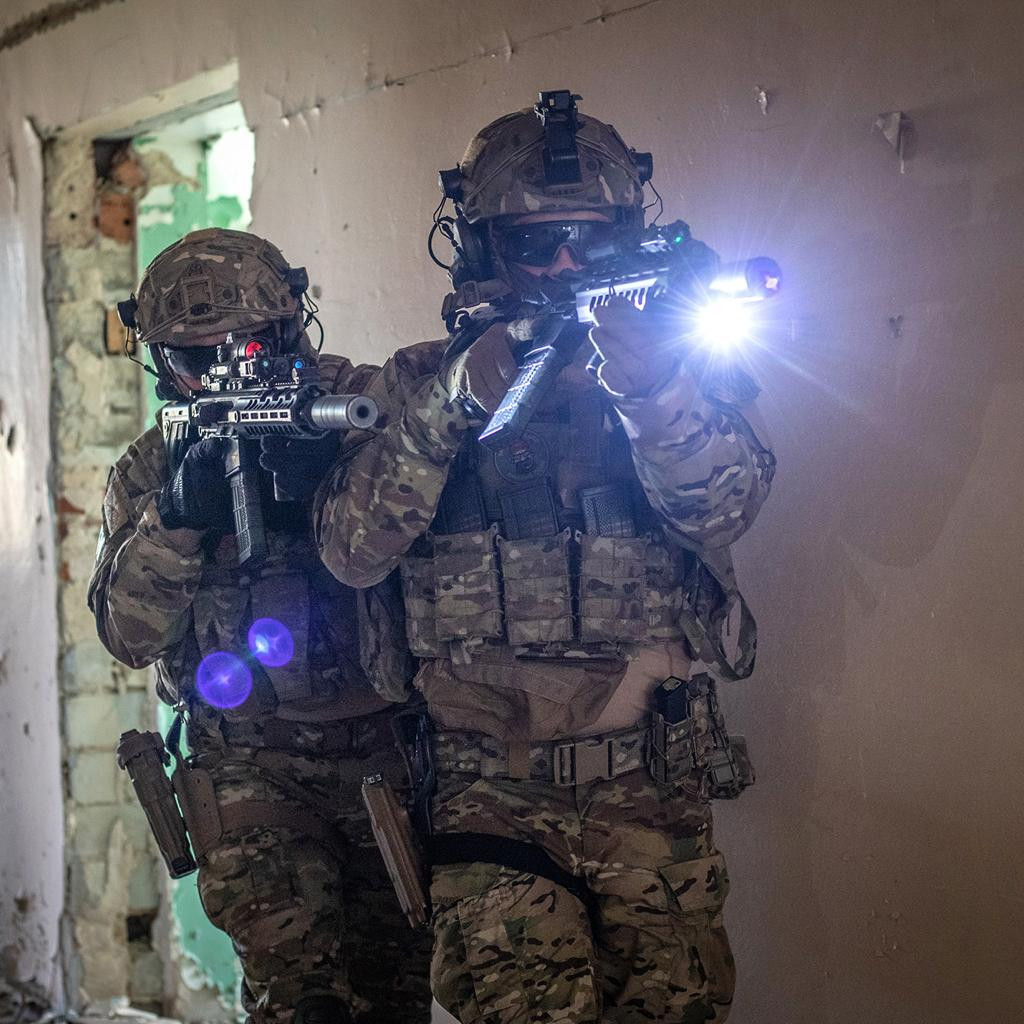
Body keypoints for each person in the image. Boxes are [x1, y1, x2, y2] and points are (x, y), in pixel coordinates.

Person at [314, 93, 776, 1022]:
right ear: (484, 248)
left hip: (652, 783)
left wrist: (652, 392)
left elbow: (723, 511)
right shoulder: (414, 382)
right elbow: (352, 553)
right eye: (536, 242)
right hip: (489, 795)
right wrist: (449, 406)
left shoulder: (678, 364)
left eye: (588, 239)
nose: (565, 264)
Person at [87, 228, 432, 1024]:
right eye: (194, 359)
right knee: (301, 1000)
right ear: (160, 359)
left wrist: (342, 480)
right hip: (247, 762)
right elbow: (128, 637)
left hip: (388, 750)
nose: (223, 373)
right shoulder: (153, 466)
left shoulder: (363, 409)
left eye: (244, 347)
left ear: (287, 330)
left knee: (396, 992)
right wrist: (177, 521)